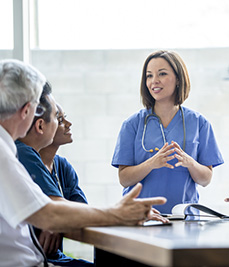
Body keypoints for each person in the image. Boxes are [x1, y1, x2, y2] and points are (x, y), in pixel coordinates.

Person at [1, 59, 166, 266]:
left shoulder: (11, 150)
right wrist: (119, 213)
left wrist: (57, 217)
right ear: (26, 111)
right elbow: (48, 214)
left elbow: (50, 211)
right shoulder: (6, 153)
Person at [112, 50, 224, 212]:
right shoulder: (132, 124)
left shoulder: (199, 123)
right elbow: (124, 179)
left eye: (162, 74)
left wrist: (189, 162)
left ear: (178, 79)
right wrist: (152, 163)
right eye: (149, 76)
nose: (154, 81)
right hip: (141, 216)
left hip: (183, 216)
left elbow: (205, 179)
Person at [15, 83, 92, 266]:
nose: (67, 123)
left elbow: (79, 209)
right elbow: (59, 210)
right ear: (40, 125)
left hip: (51, 257)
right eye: (58, 117)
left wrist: (58, 217)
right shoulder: (22, 153)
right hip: (36, 259)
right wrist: (124, 213)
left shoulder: (62, 166)